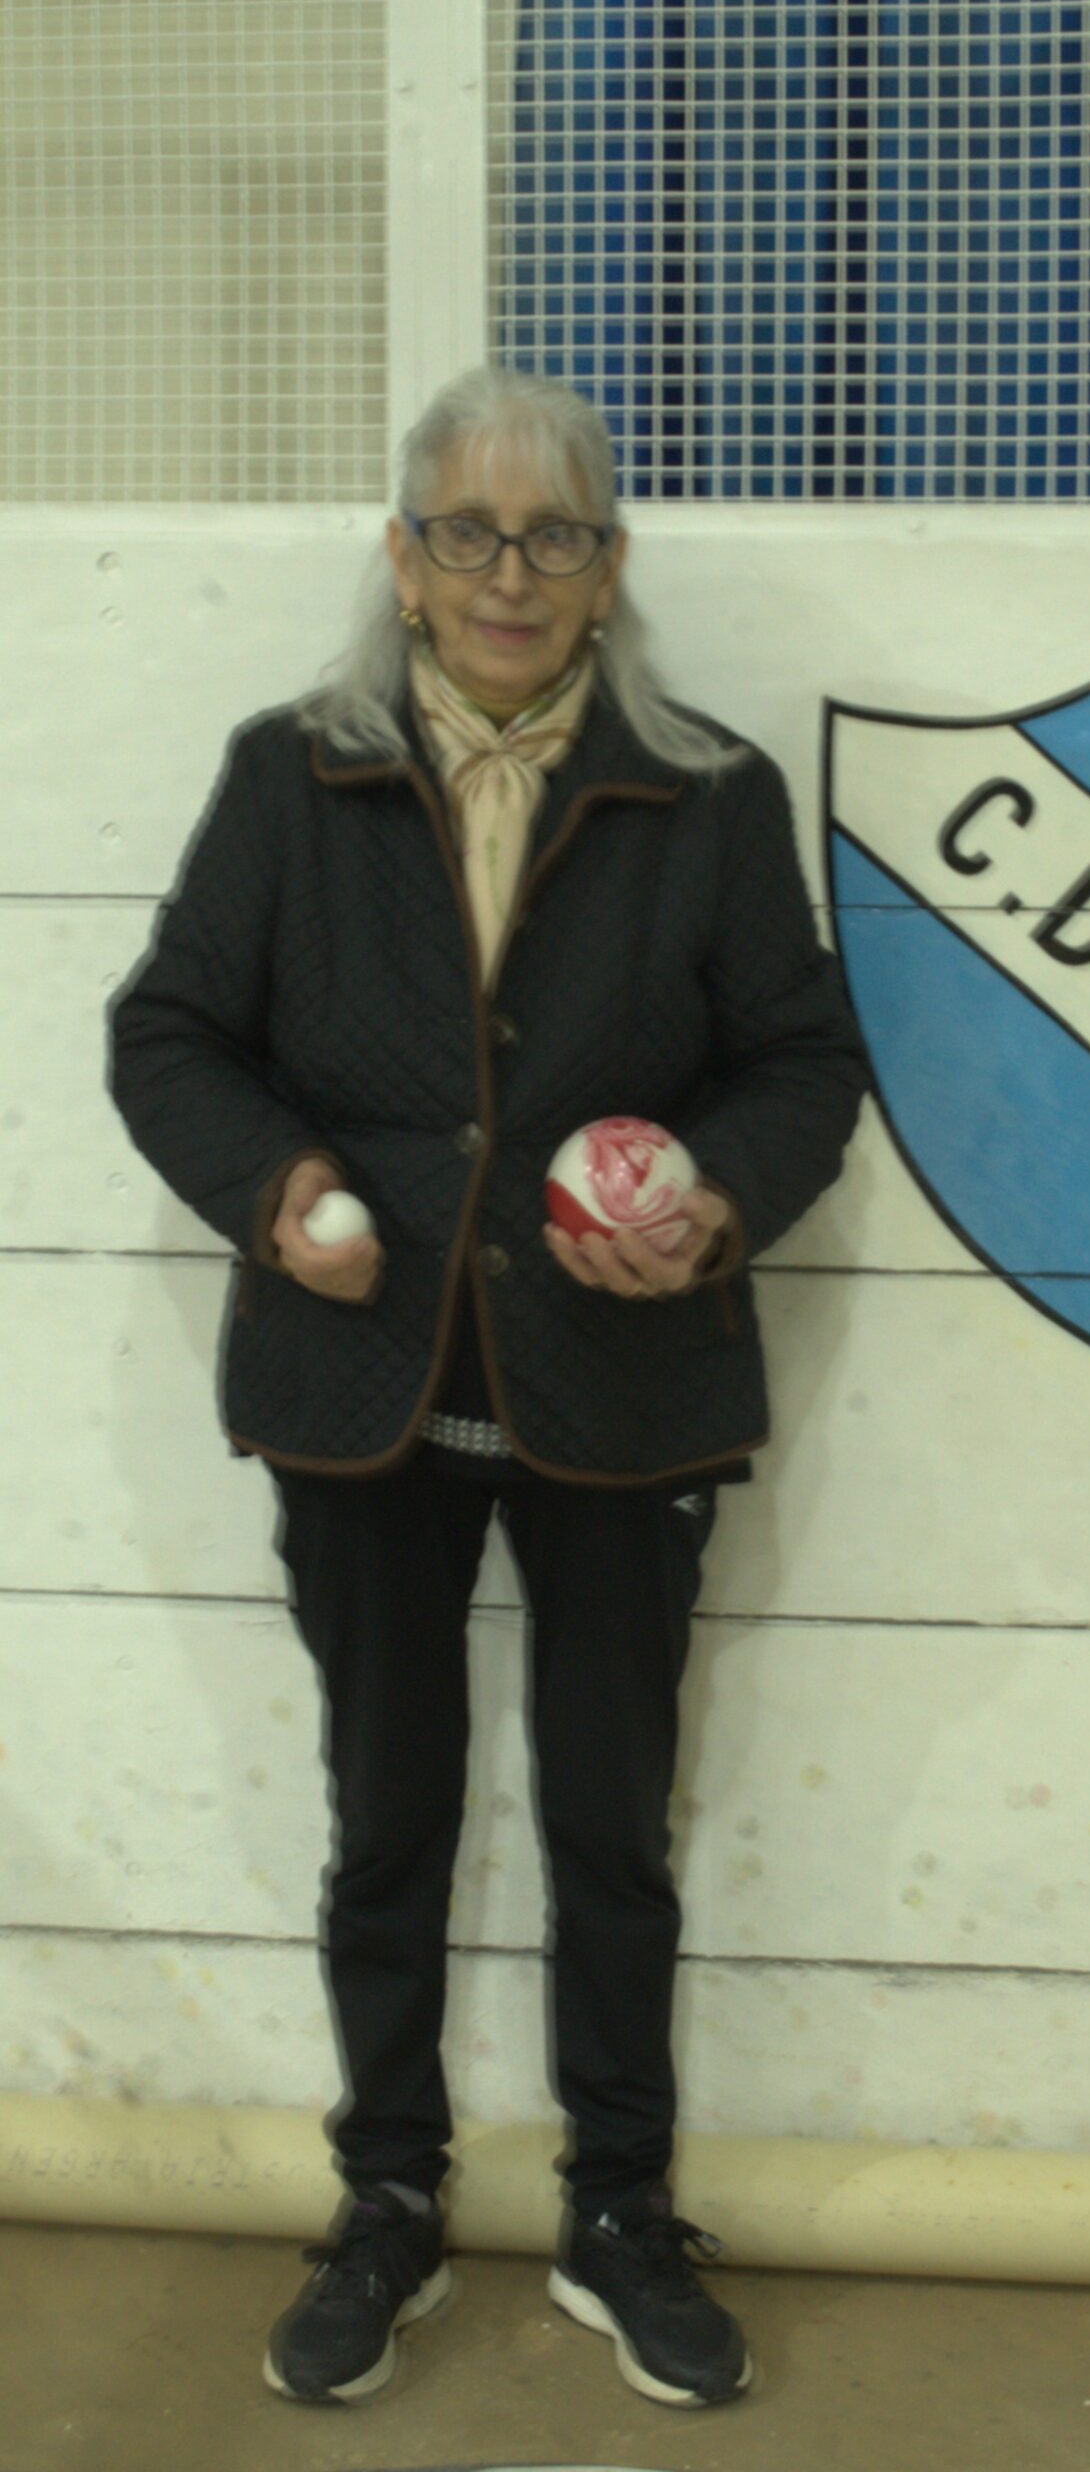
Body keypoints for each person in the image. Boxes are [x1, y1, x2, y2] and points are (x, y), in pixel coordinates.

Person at [107, 366, 869, 2411]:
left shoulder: (708, 792)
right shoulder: (294, 775)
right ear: (405, 557)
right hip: (357, 1376)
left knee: (614, 1825)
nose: (508, 574)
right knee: (391, 1816)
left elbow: (802, 1062)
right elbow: (170, 1033)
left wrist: (709, 1210)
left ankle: (620, 2209)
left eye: (553, 536)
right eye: (467, 531)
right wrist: (283, 1191)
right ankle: (387, 2197)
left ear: (609, 568)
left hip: (624, 1382)